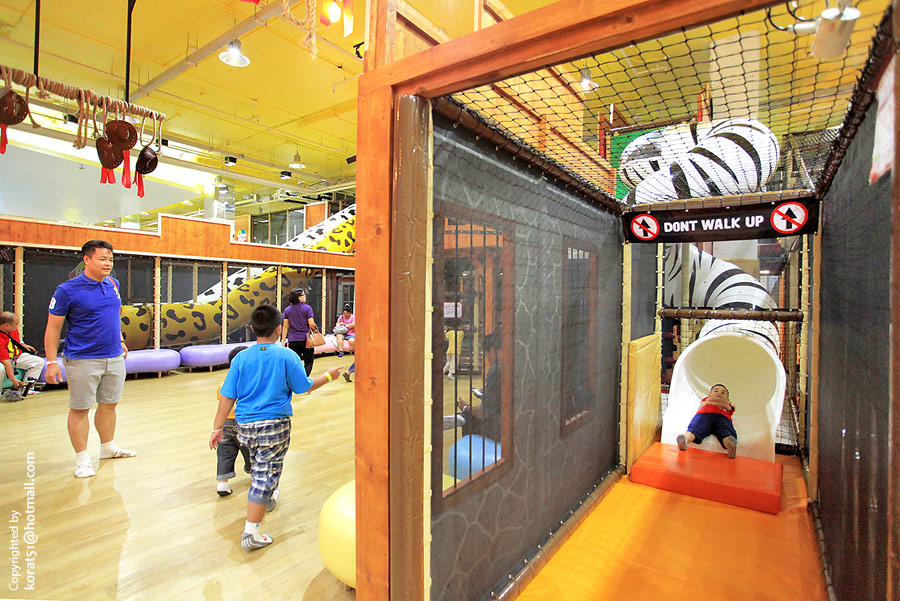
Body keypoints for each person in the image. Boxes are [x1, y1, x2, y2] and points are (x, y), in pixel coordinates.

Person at [210, 304, 342, 550]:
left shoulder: (241, 357)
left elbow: (227, 395)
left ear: (252, 329)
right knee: (264, 475)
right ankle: (251, 532)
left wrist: (216, 428)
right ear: (279, 329)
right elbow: (303, 387)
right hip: (274, 425)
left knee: (261, 467)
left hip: (244, 425)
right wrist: (328, 376)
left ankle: (267, 496)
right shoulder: (286, 356)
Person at [44, 240, 134, 478]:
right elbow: (53, 328)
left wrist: (120, 340)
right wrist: (51, 362)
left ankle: (108, 448)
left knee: (109, 404)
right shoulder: (67, 290)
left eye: (110, 259)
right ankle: (82, 459)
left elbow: (114, 314)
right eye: (102, 259)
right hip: (82, 359)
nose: (108, 264)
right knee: (80, 409)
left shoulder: (113, 284)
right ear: (86, 259)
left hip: (114, 357)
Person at [215, 346, 252, 497]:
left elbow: (222, 400)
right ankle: (255, 477)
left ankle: (222, 484)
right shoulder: (248, 380)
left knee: (224, 453)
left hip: (226, 423)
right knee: (250, 451)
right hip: (244, 422)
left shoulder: (224, 381)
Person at [456, 333, 501, 442]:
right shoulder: (512, 364)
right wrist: (486, 394)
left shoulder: (496, 369)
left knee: (468, 417)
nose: (486, 359)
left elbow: (485, 412)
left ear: (492, 350)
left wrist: (466, 408)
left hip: (499, 426)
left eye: (485, 355)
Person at [676, 383, 738, 459]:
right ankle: (685, 439)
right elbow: (702, 405)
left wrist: (713, 402)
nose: (719, 393)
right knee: (696, 428)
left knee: (725, 430)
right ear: (709, 394)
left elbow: (728, 407)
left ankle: (729, 444)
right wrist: (720, 402)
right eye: (716, 391)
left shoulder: (728, 403)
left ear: (727, 398)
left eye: (723, 392)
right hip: (705, 415)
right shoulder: (705, 400)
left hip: (722, 418)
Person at [0, 311, 45, 394]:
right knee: (1, 369)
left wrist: (23, 345)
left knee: (38, 362)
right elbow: (6, 362)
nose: (18, 325)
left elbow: (17, 339)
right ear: (6, 325)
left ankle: (26, 388)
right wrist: (13, 379)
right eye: (16, 324)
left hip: (15, 357)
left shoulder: (12, 329)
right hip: (4, 361)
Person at [281, 289, 317, 376]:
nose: (305, 296)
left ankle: (295, 379)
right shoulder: (307, 308)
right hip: (306, 340)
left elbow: (285, 326)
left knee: (295, 362)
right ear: (299, 297)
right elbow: (311, 324)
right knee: (308, 361)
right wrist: (315, 328)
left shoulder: (287, 310)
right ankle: (303, 378)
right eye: (304, 294)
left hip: (292, 339)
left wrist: (283, 340)